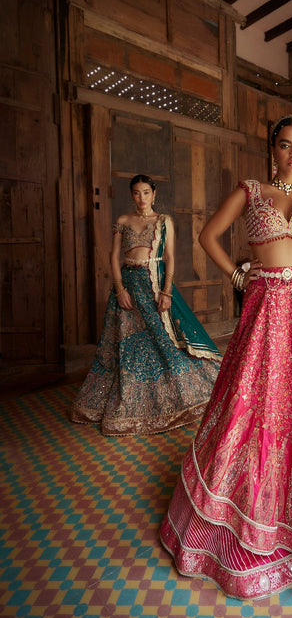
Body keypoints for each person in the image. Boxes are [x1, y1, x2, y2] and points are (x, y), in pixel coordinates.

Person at [160, 117, 292, 599]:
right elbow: (208, 236)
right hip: (263, 310)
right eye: (285, 145)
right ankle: (238, 523)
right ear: (272, 150)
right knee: (249, 408)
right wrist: (238, 276)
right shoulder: (251, 191)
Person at [69, 174, 222, 436]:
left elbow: (171, 257)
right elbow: (114, 256)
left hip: (154, 284)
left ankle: (174, 394)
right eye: (137, 193)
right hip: (129, 285)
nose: (142, 198)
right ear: (132, 195)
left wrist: (167, 291)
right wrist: (119, 289)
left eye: (146, 193)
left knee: (163, 340)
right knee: (127, 342)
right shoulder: (123, 221)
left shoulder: (163, 221)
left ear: (154, 194)